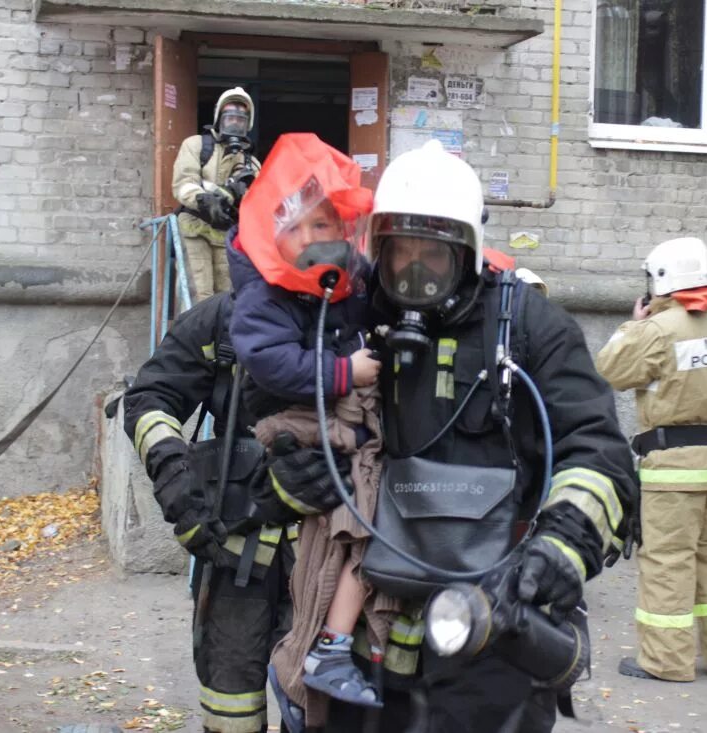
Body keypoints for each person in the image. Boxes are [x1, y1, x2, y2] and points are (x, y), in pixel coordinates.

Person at [251, 139, 640, 732]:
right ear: (374, 247)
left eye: (432, 255)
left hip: (494, 619)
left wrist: (557, 550)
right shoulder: (354, 323)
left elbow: (599, 453)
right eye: (398, 251)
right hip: (370, 633)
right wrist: (292, 477)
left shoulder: (531, 330)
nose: (413, 272)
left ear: (469, 252)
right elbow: (295, 426)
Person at [226, 133, 392, 726]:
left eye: (333, 225)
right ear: (282, 232)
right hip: (295, 423)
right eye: (314, 226)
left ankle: (320, 667)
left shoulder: (342, 283)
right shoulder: (263, 296)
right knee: (365, 512)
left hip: (333, 415)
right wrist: (345, 372)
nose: (329, 238)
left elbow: (382, 295)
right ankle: (324, 652)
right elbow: (271, 361)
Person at [123, 290, 296, 733]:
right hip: (234, 538)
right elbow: (150, 398)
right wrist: (175, 478)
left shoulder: (356, 313)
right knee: (230, 699)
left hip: (329, 546)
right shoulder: (222, 320)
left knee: (324, 695)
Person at [595, 237, 707, 683]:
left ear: (661, 281)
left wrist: (634, 326)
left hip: (673, 466)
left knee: (668, 561)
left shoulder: (656, 331)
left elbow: (608, 369)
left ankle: (666, 661)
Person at [173, 86, 262, 302]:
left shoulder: (250, 163)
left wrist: (244, 193)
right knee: (198, 295)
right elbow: (183, 183)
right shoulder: (196, 146)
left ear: (247, 124)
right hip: (196, 228)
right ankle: (193, 336)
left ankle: (220, 337)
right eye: (229, 116)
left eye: (240, 119)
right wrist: (205, 199)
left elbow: (259, 202)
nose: (234, 123)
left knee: (227, 298)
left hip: (227, 235)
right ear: (218, 117)